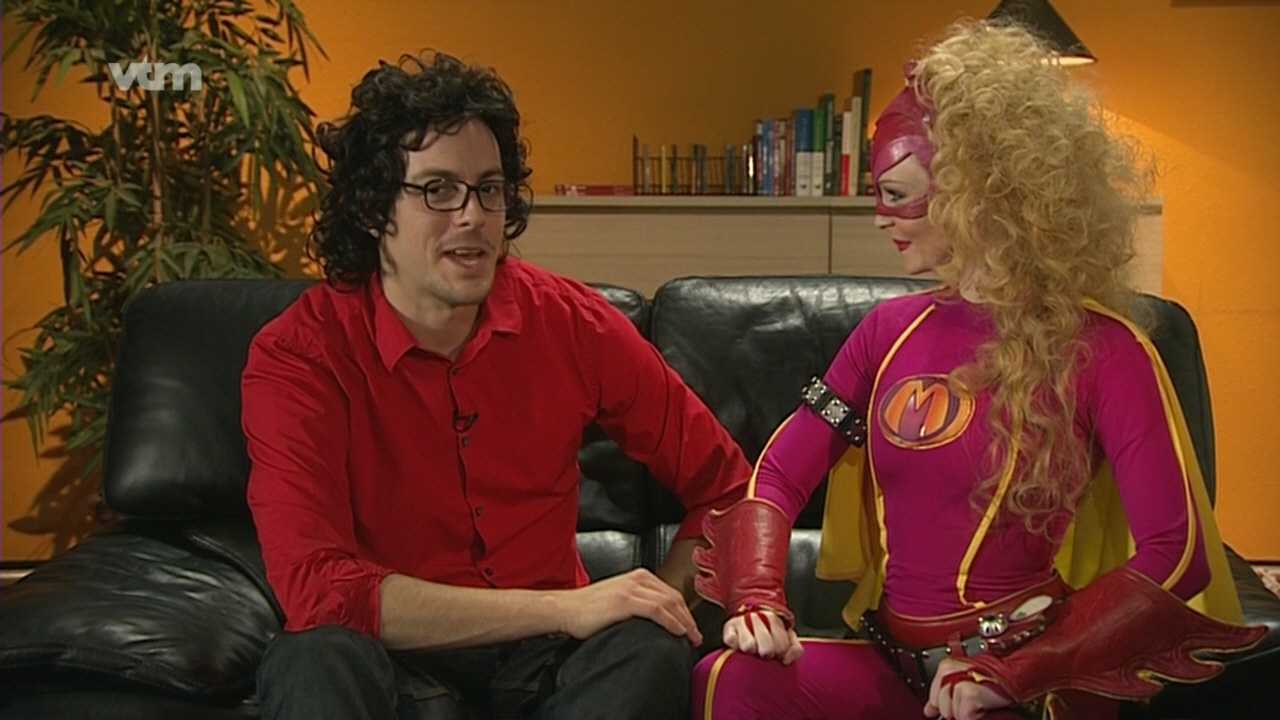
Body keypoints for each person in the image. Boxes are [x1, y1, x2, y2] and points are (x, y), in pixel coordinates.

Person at [690, 20, 1264, 720]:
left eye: (898, 193)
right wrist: (756, 596)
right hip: (898, 664)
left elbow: (1179, 550)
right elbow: (780, 471)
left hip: (1033, 677)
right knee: (728, 679)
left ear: (978, 192)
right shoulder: (886, 334)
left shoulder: (1105, 348)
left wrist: (1014, 671)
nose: (881, 217)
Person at [241, 51, 752, 720]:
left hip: (551, 665)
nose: (473, 216)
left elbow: (725, 486)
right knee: (312, 656)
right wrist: (564, 607)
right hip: (395, 660)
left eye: (489, 188)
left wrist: (665, 600)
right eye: (438, 190)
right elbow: (318, 588)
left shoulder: (571, 323)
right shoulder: (300, 355)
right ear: (372, 209)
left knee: (650, 648)